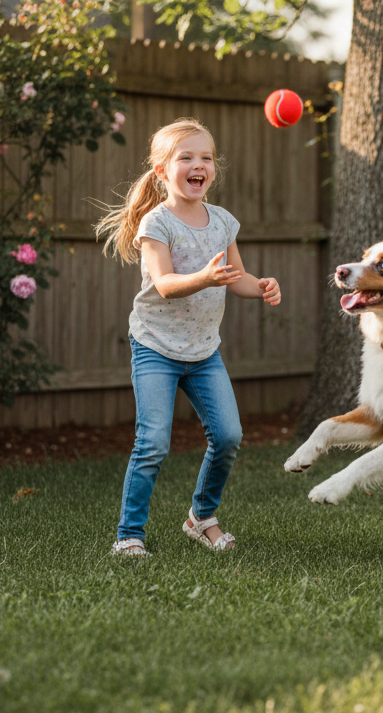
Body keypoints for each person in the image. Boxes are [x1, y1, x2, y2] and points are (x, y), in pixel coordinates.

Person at [94, 118, 281, 557]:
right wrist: (204, 277)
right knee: (153, 441)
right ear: (162, 171)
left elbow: (234, 278)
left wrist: (260, 286)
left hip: (203, 352)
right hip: (155, 347)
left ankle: (202, 518)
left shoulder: (223, 221)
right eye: (187, 158)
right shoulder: (156, 223)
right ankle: (129, 535)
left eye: (206, 158)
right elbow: (164, 284)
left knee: (229, 435)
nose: (199, 165)